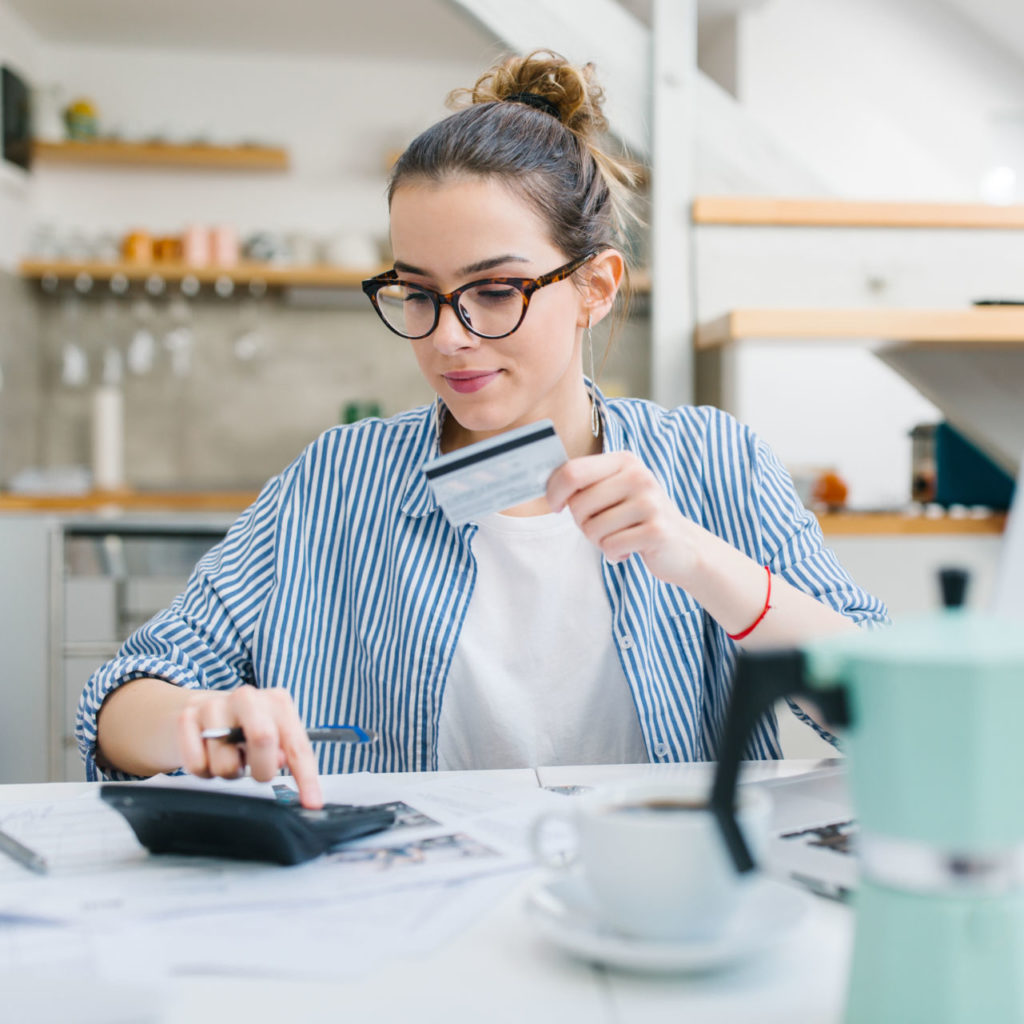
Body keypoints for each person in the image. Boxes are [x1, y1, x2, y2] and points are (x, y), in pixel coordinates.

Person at [76, 51, 888, 809]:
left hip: (653, 912)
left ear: (596, 286)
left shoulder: (715, 462)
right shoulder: (339, 479)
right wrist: (198, 721)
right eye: (418, 293)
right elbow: (125, 695)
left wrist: (700, 560)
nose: (447, 337)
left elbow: (899, 713)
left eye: (495, 291)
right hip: (406, 924)